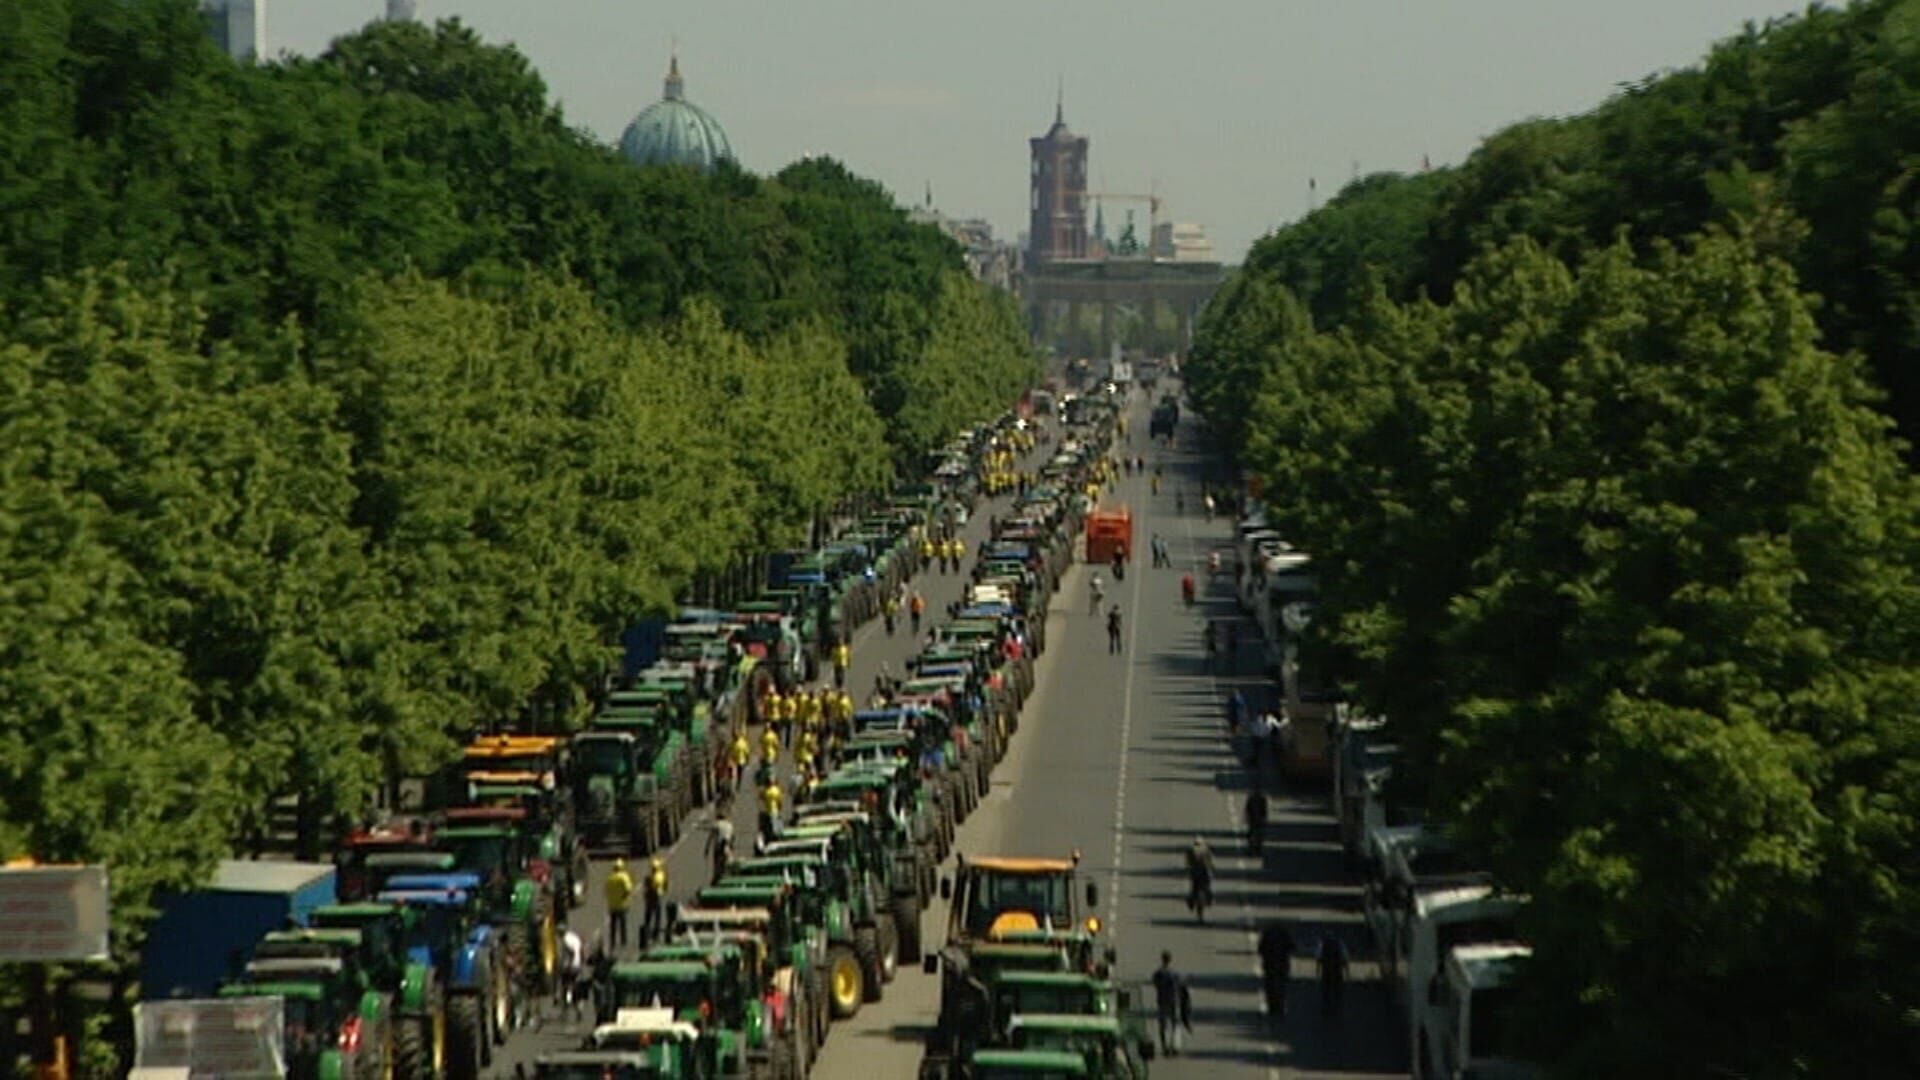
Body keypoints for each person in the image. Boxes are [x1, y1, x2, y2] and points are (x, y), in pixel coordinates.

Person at [1150, 952, 1188, 1056]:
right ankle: (1175, 1045)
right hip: (1174, 1001)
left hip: (1162, 1001)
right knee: (1175, 1024)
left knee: (1163, 1025)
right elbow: (1181, 985)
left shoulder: (1158, 974)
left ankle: (1165, 1046)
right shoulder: (1175, 974)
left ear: (1162, 959)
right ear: (1170, 960)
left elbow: (1154, 983)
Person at [1258, 923, 1294, 1020]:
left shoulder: (1267, 936)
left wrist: (1266, 956)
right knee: (1282, 986)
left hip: (1270, 965)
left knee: (1270, 986)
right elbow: (1292, 947)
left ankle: (1272, 1006)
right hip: (1282, 965)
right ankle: (1280, 1006)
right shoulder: (1284, 935)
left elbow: (1260, 949)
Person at [604, 858, 635, 953]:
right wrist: (625, 897)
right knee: (622, 925)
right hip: (622, 904)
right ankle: (623, 942)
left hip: (612, 905)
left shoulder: (609, 879)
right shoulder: (623, 877)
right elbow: (628, 889)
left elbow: (606, 891)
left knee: (613, 926)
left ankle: (612, 942)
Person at [1317, 933, 1350, 1017]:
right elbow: (1345, 958)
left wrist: (1317, 971)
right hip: (1337, 970)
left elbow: (1319, 958)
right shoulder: (1340, 944)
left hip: (1326, 970)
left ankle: (1326, 1009)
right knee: (1337, 990)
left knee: (1326, 991)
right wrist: (1347, 972)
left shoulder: (1323, 944)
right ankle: (1337, 1009)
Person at [557, 923, 586, 1018]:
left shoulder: (566, 940)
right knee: (572, 988)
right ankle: (576, 1009)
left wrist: (567, 965)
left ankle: (565, 1010)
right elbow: (580, 951)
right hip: (576, 967)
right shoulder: (574, 937)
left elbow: (570, 953)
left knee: (565, 988)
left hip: (570, 968)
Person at [1185, 837, 1215, 921]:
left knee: (1194, 888)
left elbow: (1188, 862)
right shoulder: (1206, 849)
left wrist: (1189, 869)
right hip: (1205, 873)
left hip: (1195, 874)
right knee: (1208, 887)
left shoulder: (1191, 850)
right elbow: (1211, 861)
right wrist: (1212, 868)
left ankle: (1191, 901)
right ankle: (1209, 900)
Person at [641, 856, 668, 948]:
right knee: (656, 916)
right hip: (656, 897)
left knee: (649, 916)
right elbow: (665, 885)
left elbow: (646, 888)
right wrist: (663, 891)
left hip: (651, 898)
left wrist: (646, 896)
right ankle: (655, 933)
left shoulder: (649, 878)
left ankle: (648, 932)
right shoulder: (661, 875)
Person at [706, 815, 734, 887]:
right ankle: (724, 877)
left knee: (717, 863)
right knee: (725, 862)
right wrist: (731, 847)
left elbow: (710, 837)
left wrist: (707, 848)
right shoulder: (730, 825)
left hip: (719, 846)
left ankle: (717, 879)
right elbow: (732, 837)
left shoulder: (716, 824)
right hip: (727, 845)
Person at [758, 777, 784, 841]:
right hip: (773, 810)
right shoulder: (775, 790)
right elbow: (779, 800)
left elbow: (761, 798)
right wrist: (780, 807)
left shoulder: (767, 790)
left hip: (770, 810)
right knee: (775, 822)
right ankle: (776, 835)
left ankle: (774, 835)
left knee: (772, 823)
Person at [1245, 786, 1269, 856]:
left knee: (1258, 834)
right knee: (1252, 834)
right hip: (1254, 819)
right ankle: (1253, 848)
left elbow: (1264, 810)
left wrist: (1264, 818)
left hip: (1257, 820)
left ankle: (1257, 849)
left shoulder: (1260, 799)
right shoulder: (1255, 798)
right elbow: (1248, 809)